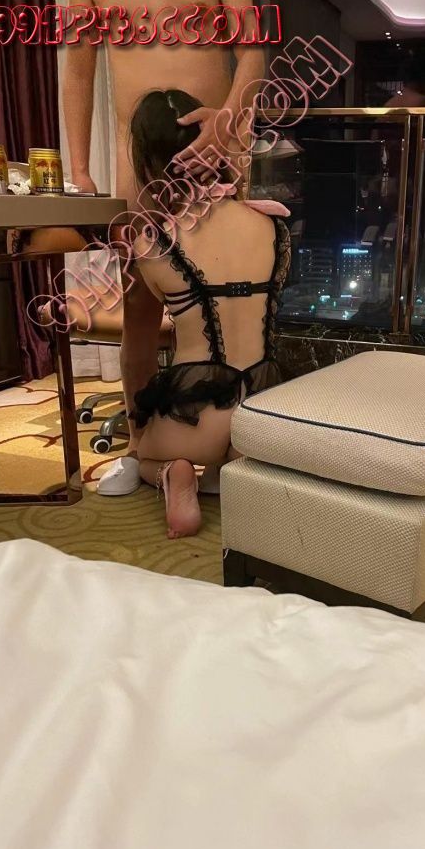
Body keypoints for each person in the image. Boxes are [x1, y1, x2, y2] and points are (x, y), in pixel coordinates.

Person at [63, 0, 265, 496]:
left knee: (227, 303)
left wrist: (226, 121)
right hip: (140, 164)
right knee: (140, 312)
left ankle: (226, 444)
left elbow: (252, 53)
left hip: (214, 149)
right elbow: (79, 67)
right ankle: (138, 444)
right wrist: (80, 169)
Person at [126, 89, 290, 538]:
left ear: (149, 165)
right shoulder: (274, 226)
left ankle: (172, 473)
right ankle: (236, 466)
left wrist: (138, 436)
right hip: (263, 411)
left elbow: (138, 353)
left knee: (147, 457)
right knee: (249, 446)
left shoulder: (152, 242)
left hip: (195, 419)